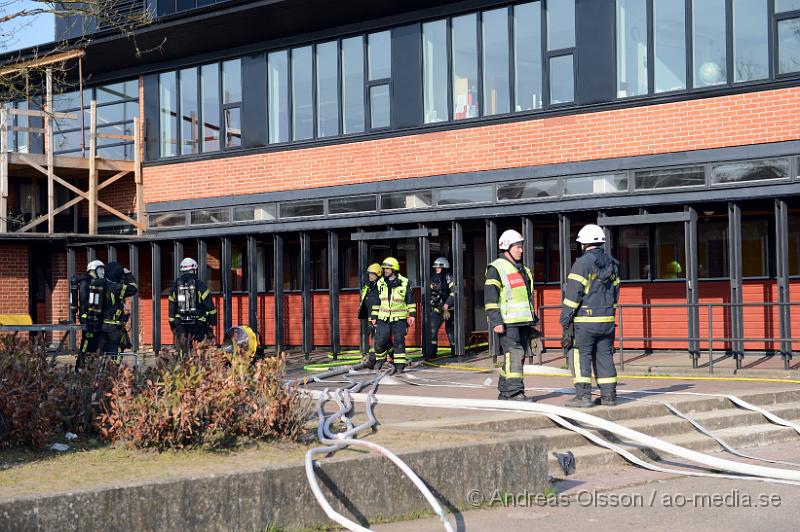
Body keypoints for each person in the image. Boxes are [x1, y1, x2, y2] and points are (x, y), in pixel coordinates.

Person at [560, 224, 620, 408]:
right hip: (607, 320)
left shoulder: (582, 263)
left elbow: (573, 294)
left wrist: (565, 317)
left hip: (585, 321)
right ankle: (609, 396)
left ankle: (583, 396)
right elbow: (616, 293)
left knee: (579, 355)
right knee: (605, 356)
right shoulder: (612, 263)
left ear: (583, 243)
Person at [485, 229, 538, 401]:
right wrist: (496, 321)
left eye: (521, 247)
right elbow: (490, 298)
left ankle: (505, 391)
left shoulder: (522, 269)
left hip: (522, 321)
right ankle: (516, 393)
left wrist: (533, 319)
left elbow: (525, 297)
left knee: (516, 356)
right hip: (507, 321)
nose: (521, 250)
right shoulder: (496, 268)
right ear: (506, 247)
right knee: (514, 354)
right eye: (517, 247)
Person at [372, 256, 416, 373]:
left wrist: (412, 315)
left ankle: (400, 366)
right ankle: (380, 360)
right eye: (384, 268)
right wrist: (374, 317)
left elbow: (410, 300)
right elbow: (376, 301)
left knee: (399, 341)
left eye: (387, 269)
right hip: (383, 318)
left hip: (399, 319)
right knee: (381, 340)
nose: (385, 271)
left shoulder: (405, 283)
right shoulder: (380, 283)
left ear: (394, 269)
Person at [168, 257, 217, 358]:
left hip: (180, 323)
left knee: (183, 350)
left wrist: (173, 324)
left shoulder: (175, 286)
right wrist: (212, 322)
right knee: (200, 349)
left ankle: (183, 367)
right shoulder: (200, 285)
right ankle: (200, 367)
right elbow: (210, 306)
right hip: (199, 323)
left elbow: (171, 306)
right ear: (194, 269)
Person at [96, 261, 138, 359]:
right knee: (116, 351)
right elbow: (133, 288)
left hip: (101, 325)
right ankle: (112, 372)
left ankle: (98, 371)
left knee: (102, 351)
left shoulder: (100, 285)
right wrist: (128, 274)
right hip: (113, 328)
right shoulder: (115, 288)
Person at [71, 259, 105, 370]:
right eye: (100, 270)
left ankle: (89, 366)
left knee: (94, 343)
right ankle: (80, 366)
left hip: (95, 317)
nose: (102, 273)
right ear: (92, 270)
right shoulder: (85, 282)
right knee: (86, 342)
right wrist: (87, 319)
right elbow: (85, 301)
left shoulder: (95, 282)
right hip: (87, 317)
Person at [430, 256, 455, 358]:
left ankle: (455, 351)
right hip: (437, 309)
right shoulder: (434, 279)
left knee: (450, 330)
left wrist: (447, 304)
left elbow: (454, 293)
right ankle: (432, 353)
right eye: (435, 267)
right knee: (432, 329)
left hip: (448, 309)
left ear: (444, 268)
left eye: (439, 267)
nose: (437, 269)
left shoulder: (449, 277)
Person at [359, 263, 382, 366]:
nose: (370, 275)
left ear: (377, 274)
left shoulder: (380, 286)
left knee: (377, 337)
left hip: (378, 316)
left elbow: (377, 302)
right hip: (368, 315)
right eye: (369, 274)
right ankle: (367, 356)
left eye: (372, 274)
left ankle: (373, 359)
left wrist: (375, 317)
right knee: (369, 335)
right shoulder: (368, 286)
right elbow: (364, 299)